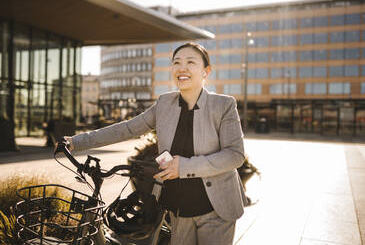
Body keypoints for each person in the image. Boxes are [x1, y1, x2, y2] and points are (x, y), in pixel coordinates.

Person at [64, 42, 248, 245]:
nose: (182, 68)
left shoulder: (223, 105)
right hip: (178, 209)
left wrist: (184, 166)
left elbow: (235, 155)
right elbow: (127, 128)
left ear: (206, 71)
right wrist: (76, 141)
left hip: (216, 209)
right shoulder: (164, 104)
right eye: (176, 62)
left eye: (190, 62)